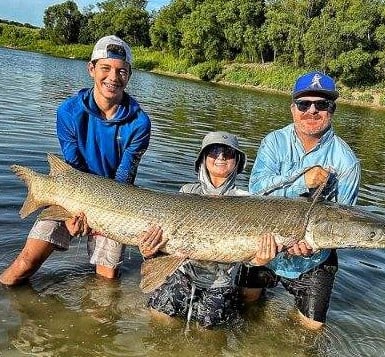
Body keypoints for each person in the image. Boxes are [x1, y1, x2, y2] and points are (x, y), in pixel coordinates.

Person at [0, 35, 151, 285]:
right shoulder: (68, 111)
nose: (113, 77)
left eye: (121, 71)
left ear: (129, 75)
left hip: (117, 203)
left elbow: (125, 176)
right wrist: (75, 213)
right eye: (105, 68)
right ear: (91, 69)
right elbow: (73, 166)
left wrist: (100, 217)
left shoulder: (140, 122)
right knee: (24, 264)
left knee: (108, 280)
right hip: (69, 193)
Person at [247, 71, 361, 330]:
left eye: (321, 105)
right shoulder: (273, 142)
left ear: (332, 110)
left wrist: (316, 247)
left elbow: (345, 221)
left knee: (311, 331)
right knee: (245, 305)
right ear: (293, 109)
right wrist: (302, 181)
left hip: (314, 259)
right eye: (304, 104)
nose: (312, 111)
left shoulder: (347, 161)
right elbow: (255, 193)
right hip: (265, 246)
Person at [138, 131, 278, 329]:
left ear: (237, 161)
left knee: (210, 337)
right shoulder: (186, 192)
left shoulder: (247, 200)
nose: (220, 156)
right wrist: (148, 251)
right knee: (158, 319)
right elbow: (167, 244)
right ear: (203, 159)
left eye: (228, 152)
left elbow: (249, 256)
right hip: (182, 274)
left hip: (220, 283)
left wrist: (259, 260)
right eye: (213, 151)